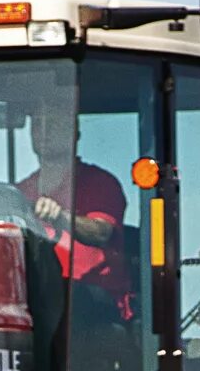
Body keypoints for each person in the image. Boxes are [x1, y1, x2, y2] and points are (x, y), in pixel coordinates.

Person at [18, 104, 134, 320]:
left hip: (95, 308)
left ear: (75, 132)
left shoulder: (100, 183)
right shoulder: (20, 191)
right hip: (36, 302)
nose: (44, 132)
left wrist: (60, 217)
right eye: (37, 125)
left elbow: (101, 232)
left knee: (63, 295)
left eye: (53, 124)